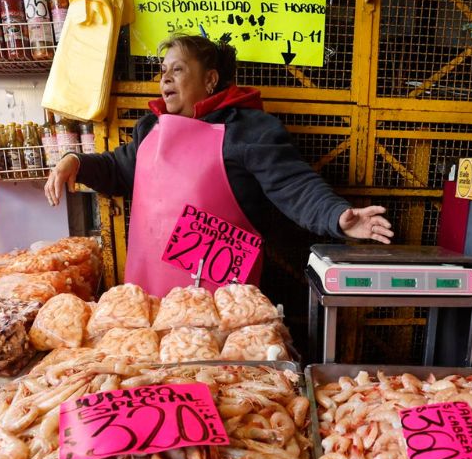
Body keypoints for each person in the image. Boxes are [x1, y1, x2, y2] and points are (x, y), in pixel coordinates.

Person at [44, 33, 392, 295]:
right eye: (163, 71)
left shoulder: (246, 129)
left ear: (210, 80)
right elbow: (119, 168)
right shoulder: (150, 129)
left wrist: (336, 216)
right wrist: (76, 162)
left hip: (221, 298)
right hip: (151, 292)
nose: (165, 78)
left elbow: (293, 184)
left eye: (177, 70)